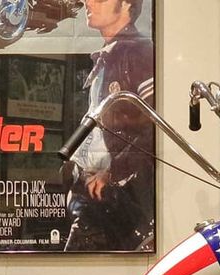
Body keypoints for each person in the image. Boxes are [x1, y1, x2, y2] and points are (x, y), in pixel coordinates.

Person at [63, 0, 155, 251]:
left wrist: (113, 171)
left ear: (127, 4)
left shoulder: (140, 53)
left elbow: (156, 129)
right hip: (94, 197)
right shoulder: (110, 56)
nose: (87, 2)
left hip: (119, 201)